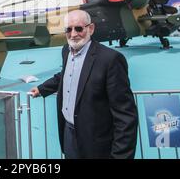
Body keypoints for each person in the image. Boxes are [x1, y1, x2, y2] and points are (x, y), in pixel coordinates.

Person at [30, 10, 138, 159]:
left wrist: (120, 156)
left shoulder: (110, 59)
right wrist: (42, 89)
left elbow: (125, 115)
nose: (73, 34)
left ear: (91, 29)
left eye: (79, 28)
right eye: (68, 29)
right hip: (68, 132)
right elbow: (66, 74)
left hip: (96, 142)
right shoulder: (66, 51)